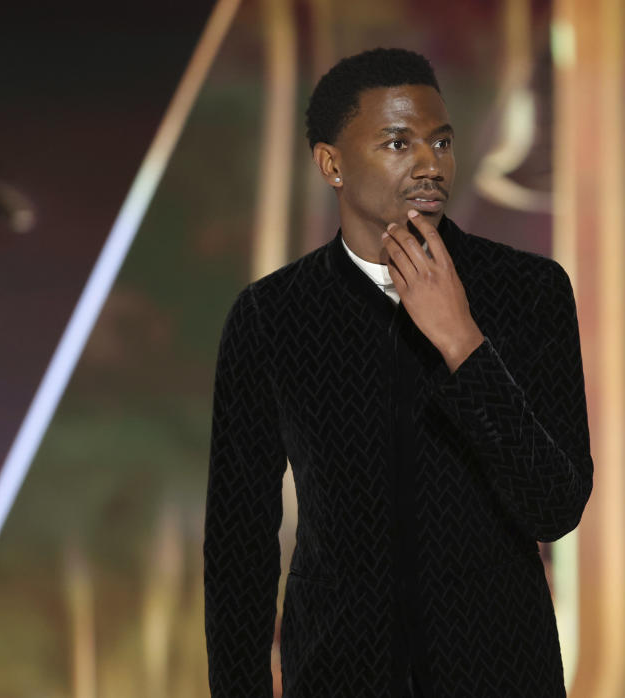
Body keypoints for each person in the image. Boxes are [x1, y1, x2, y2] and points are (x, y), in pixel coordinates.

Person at [204, 46, 594, 698]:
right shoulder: (271, 315)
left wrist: (462, 341)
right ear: (331, 163)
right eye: (397, 142)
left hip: (500, 675)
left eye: (441, 142)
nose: (428, 163)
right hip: (336, 673)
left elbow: (555, 505)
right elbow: (239, 544)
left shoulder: (531, 292)